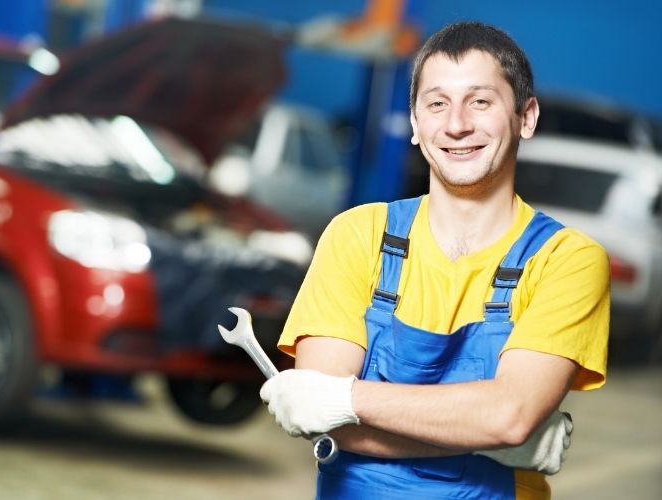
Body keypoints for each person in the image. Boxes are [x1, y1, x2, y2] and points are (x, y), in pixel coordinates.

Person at [259, 21, 609, 499]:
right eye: (437, 103)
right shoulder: (359, 235)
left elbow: (509, 415)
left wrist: (344, 398)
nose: (457, 123)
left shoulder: (566, 260)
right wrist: (492, 443)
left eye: (480, 101)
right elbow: (328, 426)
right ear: (415, 123)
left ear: (526, 117)